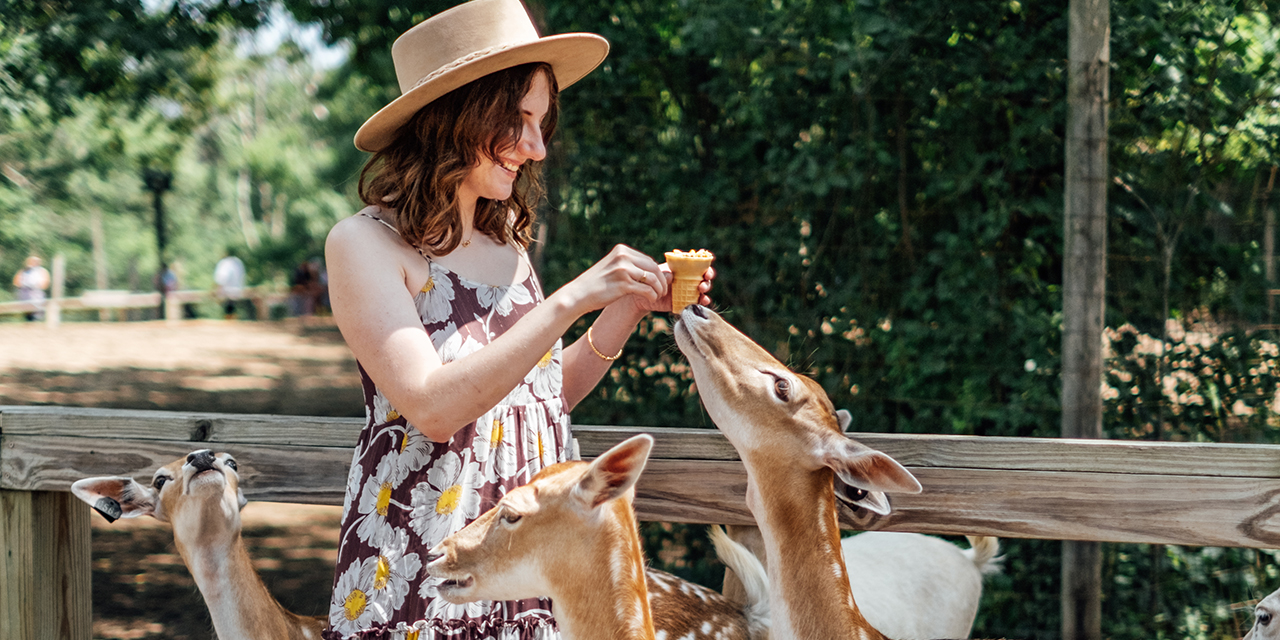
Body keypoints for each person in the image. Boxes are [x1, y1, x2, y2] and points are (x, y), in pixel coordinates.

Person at [321, 0, 713, 638]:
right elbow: (434, 407)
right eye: (518, 121)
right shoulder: (362, 244)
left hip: (528, 560)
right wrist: (569, 299)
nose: (535, 147)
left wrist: (622, 310)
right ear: (457, 116)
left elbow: (538, 399)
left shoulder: (508, 243)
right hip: (426, 559)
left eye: (541, 123)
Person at [12, 254, 50, 322]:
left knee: (37, 312)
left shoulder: (42, 271)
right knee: (27, 313)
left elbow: (45, 284)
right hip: (25, 293)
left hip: (36, 294)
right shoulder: (24, 271)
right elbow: (16, 282)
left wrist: (36, 286)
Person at [213, 251, 247, 320]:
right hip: (237, 289)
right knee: (231, 307)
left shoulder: (225, 263)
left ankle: (229, 321)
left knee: (228, 307)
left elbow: (222, 278)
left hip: (227, 290)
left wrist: (218, 290)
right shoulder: (238, 262)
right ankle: (232, 319)